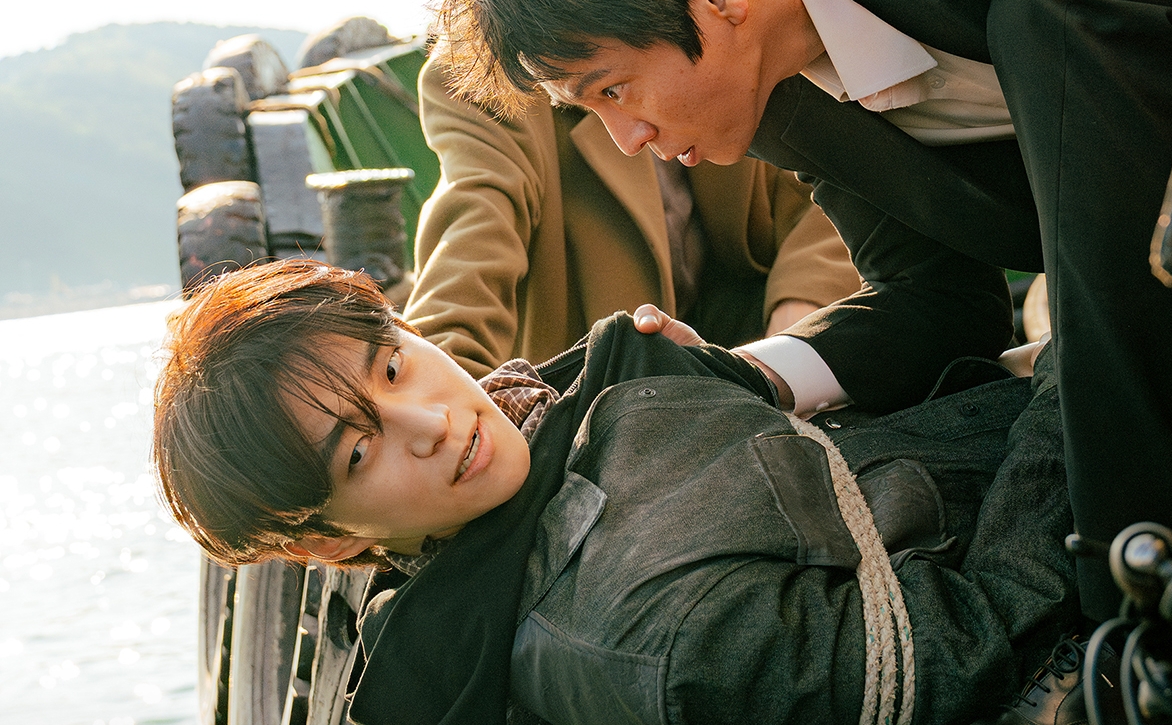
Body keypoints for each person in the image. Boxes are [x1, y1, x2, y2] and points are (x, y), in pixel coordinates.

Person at [432, 0, 1172, 646]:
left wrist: (1128, 613)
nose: (627, 137)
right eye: (589, 109)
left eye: (614, 88)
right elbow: (939, 297)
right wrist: (737, 375)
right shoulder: (780, 100)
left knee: (1053, 14)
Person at [153, 259, 1077, 725]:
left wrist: (729, 377)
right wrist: (1084, 371)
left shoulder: (566, 408)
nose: (427, 420)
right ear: (327, 543)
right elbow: (962, 646)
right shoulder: (637, 631)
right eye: (360, 453)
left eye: (393, 365)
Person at [403, 58, 860, 377]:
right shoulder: (484, 80)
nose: (629, 141)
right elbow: (474, 229)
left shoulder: (706, 25)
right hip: (610, 389)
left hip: (754, 327)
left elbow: (827, 187)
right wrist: (440, 382)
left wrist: (787, 336)